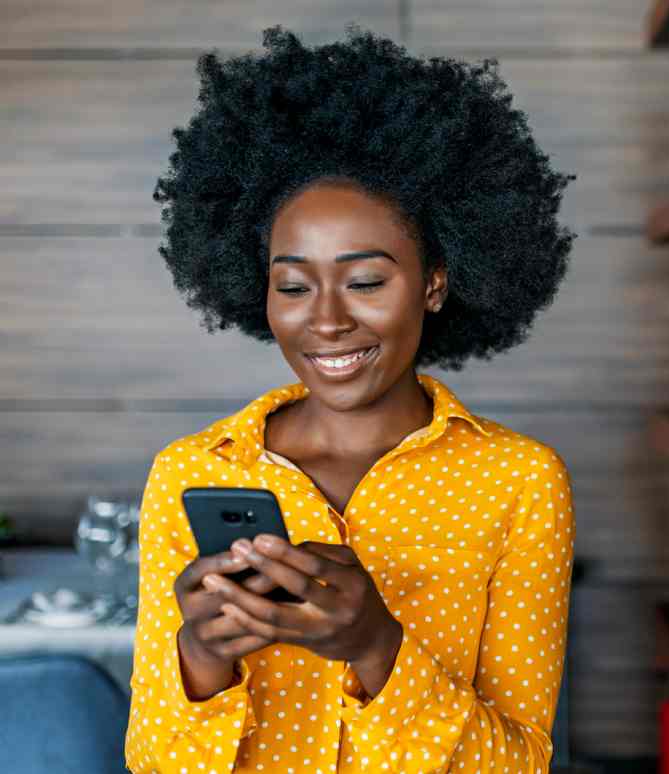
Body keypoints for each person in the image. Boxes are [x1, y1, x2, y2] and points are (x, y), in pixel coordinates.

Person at [123, 23, 577, 773]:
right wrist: (201, 658)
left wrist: (375, 647)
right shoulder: (191, 471)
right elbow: (151, 760)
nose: (327, 319)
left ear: (433, 282)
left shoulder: (520, 482)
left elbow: (518, 762)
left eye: (366, 281)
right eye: (293, 285)